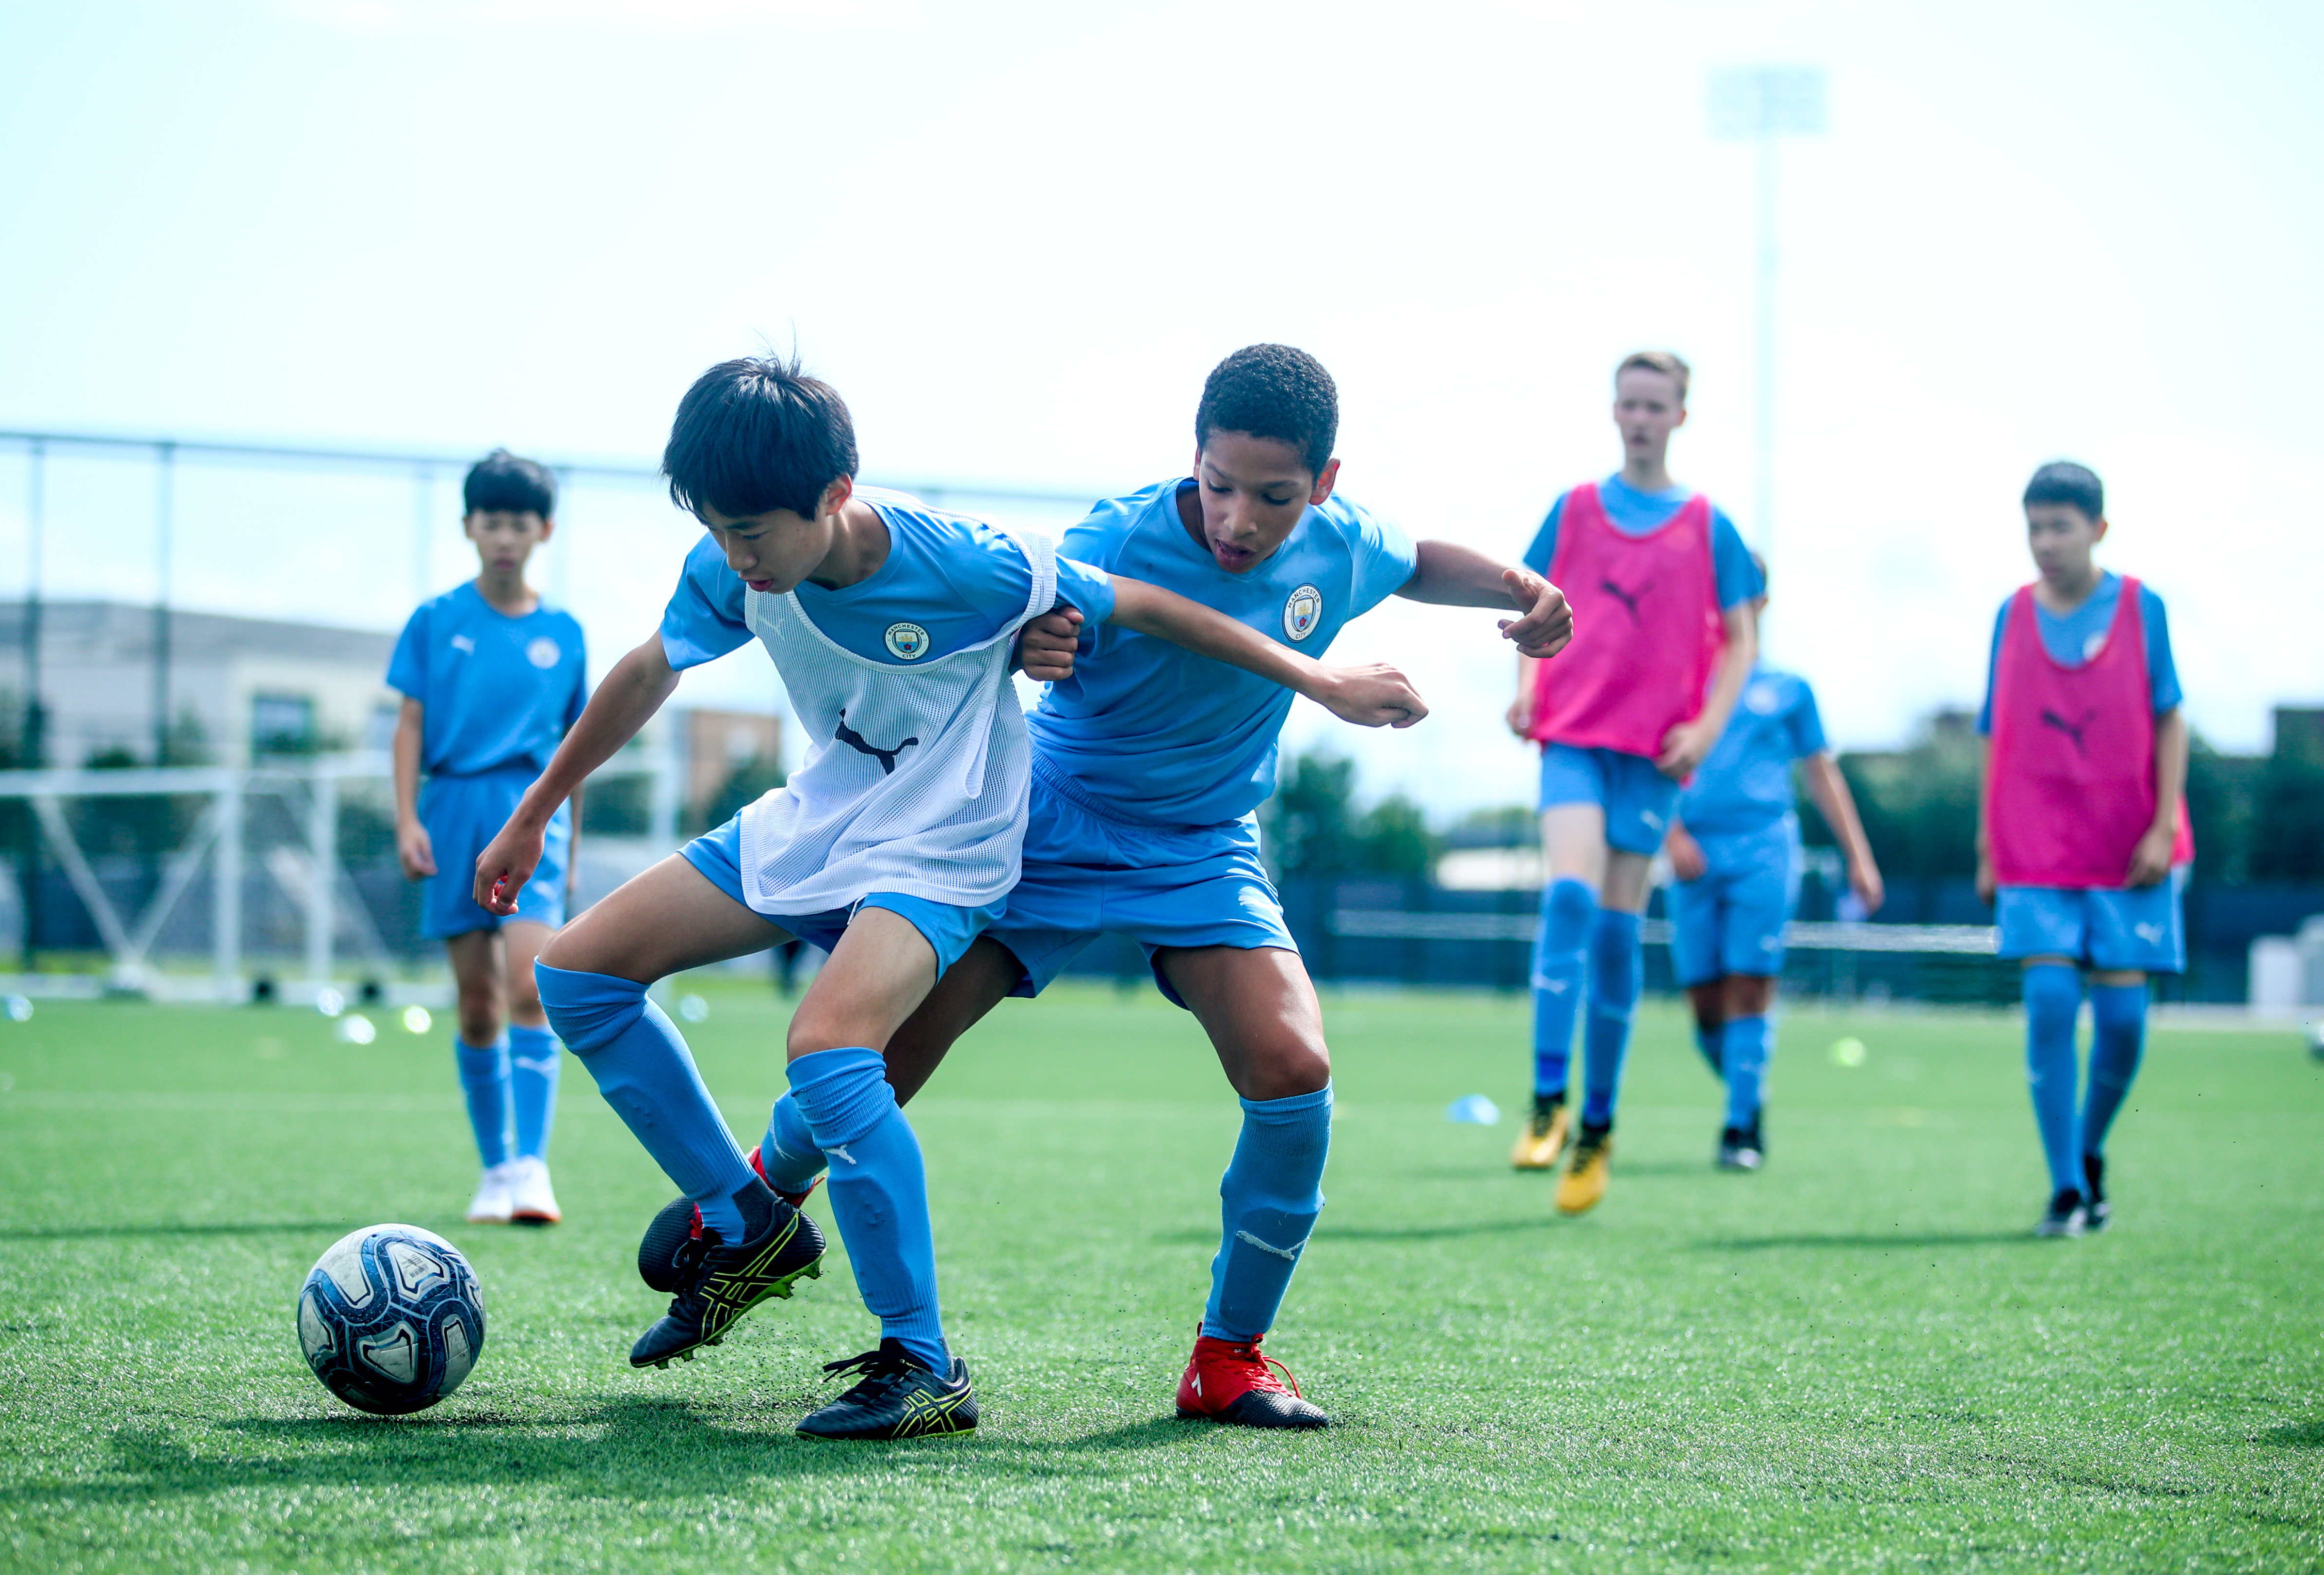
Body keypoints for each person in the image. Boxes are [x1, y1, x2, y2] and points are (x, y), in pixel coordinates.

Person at [477, 354, 1429, 1441]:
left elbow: (1144, 605)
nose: (735, 556)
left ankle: (931, 1362)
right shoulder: (730, 561)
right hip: (834, 809)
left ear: (834, 495)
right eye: (718, 528)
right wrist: (536, 808)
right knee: (577, 974)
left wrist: (1319, 680)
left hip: (952, 837)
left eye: (754, 532)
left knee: (832, 1045)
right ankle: (745, 1214)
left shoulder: (966, 561)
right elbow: (650, 668)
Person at [749, 343, 1574, 1431]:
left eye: (1272, 497)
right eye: (1218, 485)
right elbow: (1013, 606)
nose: (1238, 517)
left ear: (1322, 485)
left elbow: (1415, 557)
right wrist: (1041, 639)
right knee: (884, 1059)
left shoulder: (1343, 542)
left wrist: (1522, 589)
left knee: (1293, 1068)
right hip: (1048, 822)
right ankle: (754, 1210)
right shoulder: (1115, 535)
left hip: (1200, 846)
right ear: (1193, 459)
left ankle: (1227, 1359)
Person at [1503, 351, 1760, 1213]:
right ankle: (1546, 1099)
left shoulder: (1707, 524)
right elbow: (1535, 605)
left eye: (1656, 405)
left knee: (1617, 934)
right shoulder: (1575, 508)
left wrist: (1705, 729)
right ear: (1613, 410)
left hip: (1652, 755)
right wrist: (1525, 690)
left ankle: (1599, 1129)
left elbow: (1742, 639)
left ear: (1680, 415)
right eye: (1629, 402)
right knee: (1569, 902)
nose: (1640, 416)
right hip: (1573, 735)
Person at [1975, 461, 2188, 1238]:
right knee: (2051, 1003)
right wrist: (1986, 843)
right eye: (2034, 526)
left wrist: (2163, 823)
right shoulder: (2011, 614)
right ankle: (2064, 1188)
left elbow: (2169, 715)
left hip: (2126, 842)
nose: (2045, 542)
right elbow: (1993, 733)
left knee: (2125, 1019)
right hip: (2032, 846)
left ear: (2098, 528)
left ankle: (2086, 1149)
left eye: (2060, 525)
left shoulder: (2141, 607)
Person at [389, 450, 586, 1228]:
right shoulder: (436, 621)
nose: (504, 536)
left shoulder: (566, 632)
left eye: (519, 522)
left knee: (530, 985)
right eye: (490, 520)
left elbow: (579, 747)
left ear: (544, 530)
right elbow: (408, 725)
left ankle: (534, 1167)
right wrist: (407, 819)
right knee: (477, 1006)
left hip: (532, 810)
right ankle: (496, 1168)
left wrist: (568, 837)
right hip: (454, 808)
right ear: (469, 526)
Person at [1661, 555, 1882, 1170]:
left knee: (1751, 983)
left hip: (1763, 847)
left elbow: (1821, 772)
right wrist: (1671, 835)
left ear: (1759, 603)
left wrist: (1858, 859)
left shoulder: (1789, 688)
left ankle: (1741, 1125)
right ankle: (1747, 1084)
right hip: (1691, 856)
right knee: (1705, 1005)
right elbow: (1647, 762)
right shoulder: (1677, 680)